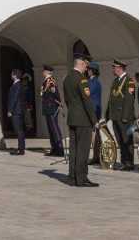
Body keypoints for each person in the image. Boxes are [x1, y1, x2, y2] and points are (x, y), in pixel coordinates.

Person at [62, 53, 97, 187]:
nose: (86, 69)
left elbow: (67, 100)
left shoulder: (67, 78)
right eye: (86, 65)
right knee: (82, 150)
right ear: (82, 63)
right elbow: (87, 101)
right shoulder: (81, 79)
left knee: (74, 150)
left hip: (72, 118)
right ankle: (81, 178)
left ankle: (72, 177)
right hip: (83, 120)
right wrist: (94, 120)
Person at [105, 60, 136, 170]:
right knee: (120, 140)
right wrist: (107, 116)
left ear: (120, 68)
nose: (113, 69)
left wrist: (125, 116)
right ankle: (124, 162)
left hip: (125, 118)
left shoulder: (129, 81)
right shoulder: (116, 81)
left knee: (127, 139)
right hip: (115, 117)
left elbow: (129, 100)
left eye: (114, 67)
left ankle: (129, 163)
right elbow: (111, 100)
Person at [6, 68, 32, 155]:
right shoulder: (18, 84)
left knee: (18, 130)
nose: (10, 75)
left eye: (11, 74)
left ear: (14, 75)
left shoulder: (17, 85)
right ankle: (21, 148)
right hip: (18, 110)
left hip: (16, 111)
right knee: (19, 130)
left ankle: (21, 149)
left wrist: (10, 110)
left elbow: (14, 98)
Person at [40, 66, 63, 156]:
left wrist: (58, 103)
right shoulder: (46, 81)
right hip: (48, 108)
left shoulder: (50, 81)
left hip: (52, 108)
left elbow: (55, 94)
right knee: (51, 129)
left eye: (44, 71)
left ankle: (60, 149)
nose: (43, 72)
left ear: (47, 72)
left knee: (55, 129)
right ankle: (54, 148)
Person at [87, 63, 103, 165]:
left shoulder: (94, 82)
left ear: (92, 71)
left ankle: (96, 156)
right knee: (94, 134)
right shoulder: (91, 81)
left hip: (93, 110)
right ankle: (96, 156)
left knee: (94, 134)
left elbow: (87, 93)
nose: (87, 71)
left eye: (89, 69)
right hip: (93, 110)